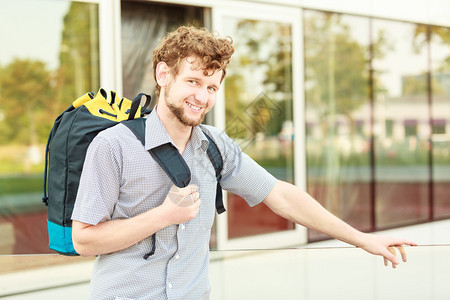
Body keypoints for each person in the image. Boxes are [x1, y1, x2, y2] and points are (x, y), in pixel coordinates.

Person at [71, 26, 416, 300]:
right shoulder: (113, 145)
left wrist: (361, 239)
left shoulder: (216, 146)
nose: (202, 97)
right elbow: (84, 240)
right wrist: (163, 216)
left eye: (212, 87)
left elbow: (279, 194)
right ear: (163, 75)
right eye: (193, 82)